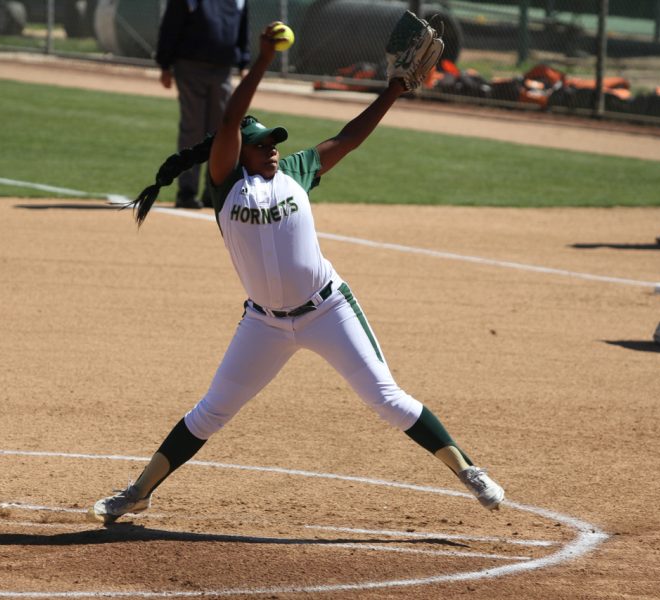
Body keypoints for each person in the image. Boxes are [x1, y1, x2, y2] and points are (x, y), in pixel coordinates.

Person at [94, 18, 505, 525]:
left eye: (274, 142)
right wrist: (263, 60)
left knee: (388, 400)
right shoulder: (226, 185)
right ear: (239, 152)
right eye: (263, 142)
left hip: (328, 308)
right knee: (210, 413)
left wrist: (394, 91)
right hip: (264, 325)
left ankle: (468, 471)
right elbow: (228, 123)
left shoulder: (296, 172)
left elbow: (349, 137)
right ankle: (139, 491)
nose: (273, 147)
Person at [157, 0, 250, 210]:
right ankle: (187, 192)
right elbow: (172, 25)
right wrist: (165, 63)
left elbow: (242, 26)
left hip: (223, 68)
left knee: (222, 131)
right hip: (190, 65)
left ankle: (214, 191)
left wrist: (244, 61)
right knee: (193, 128)